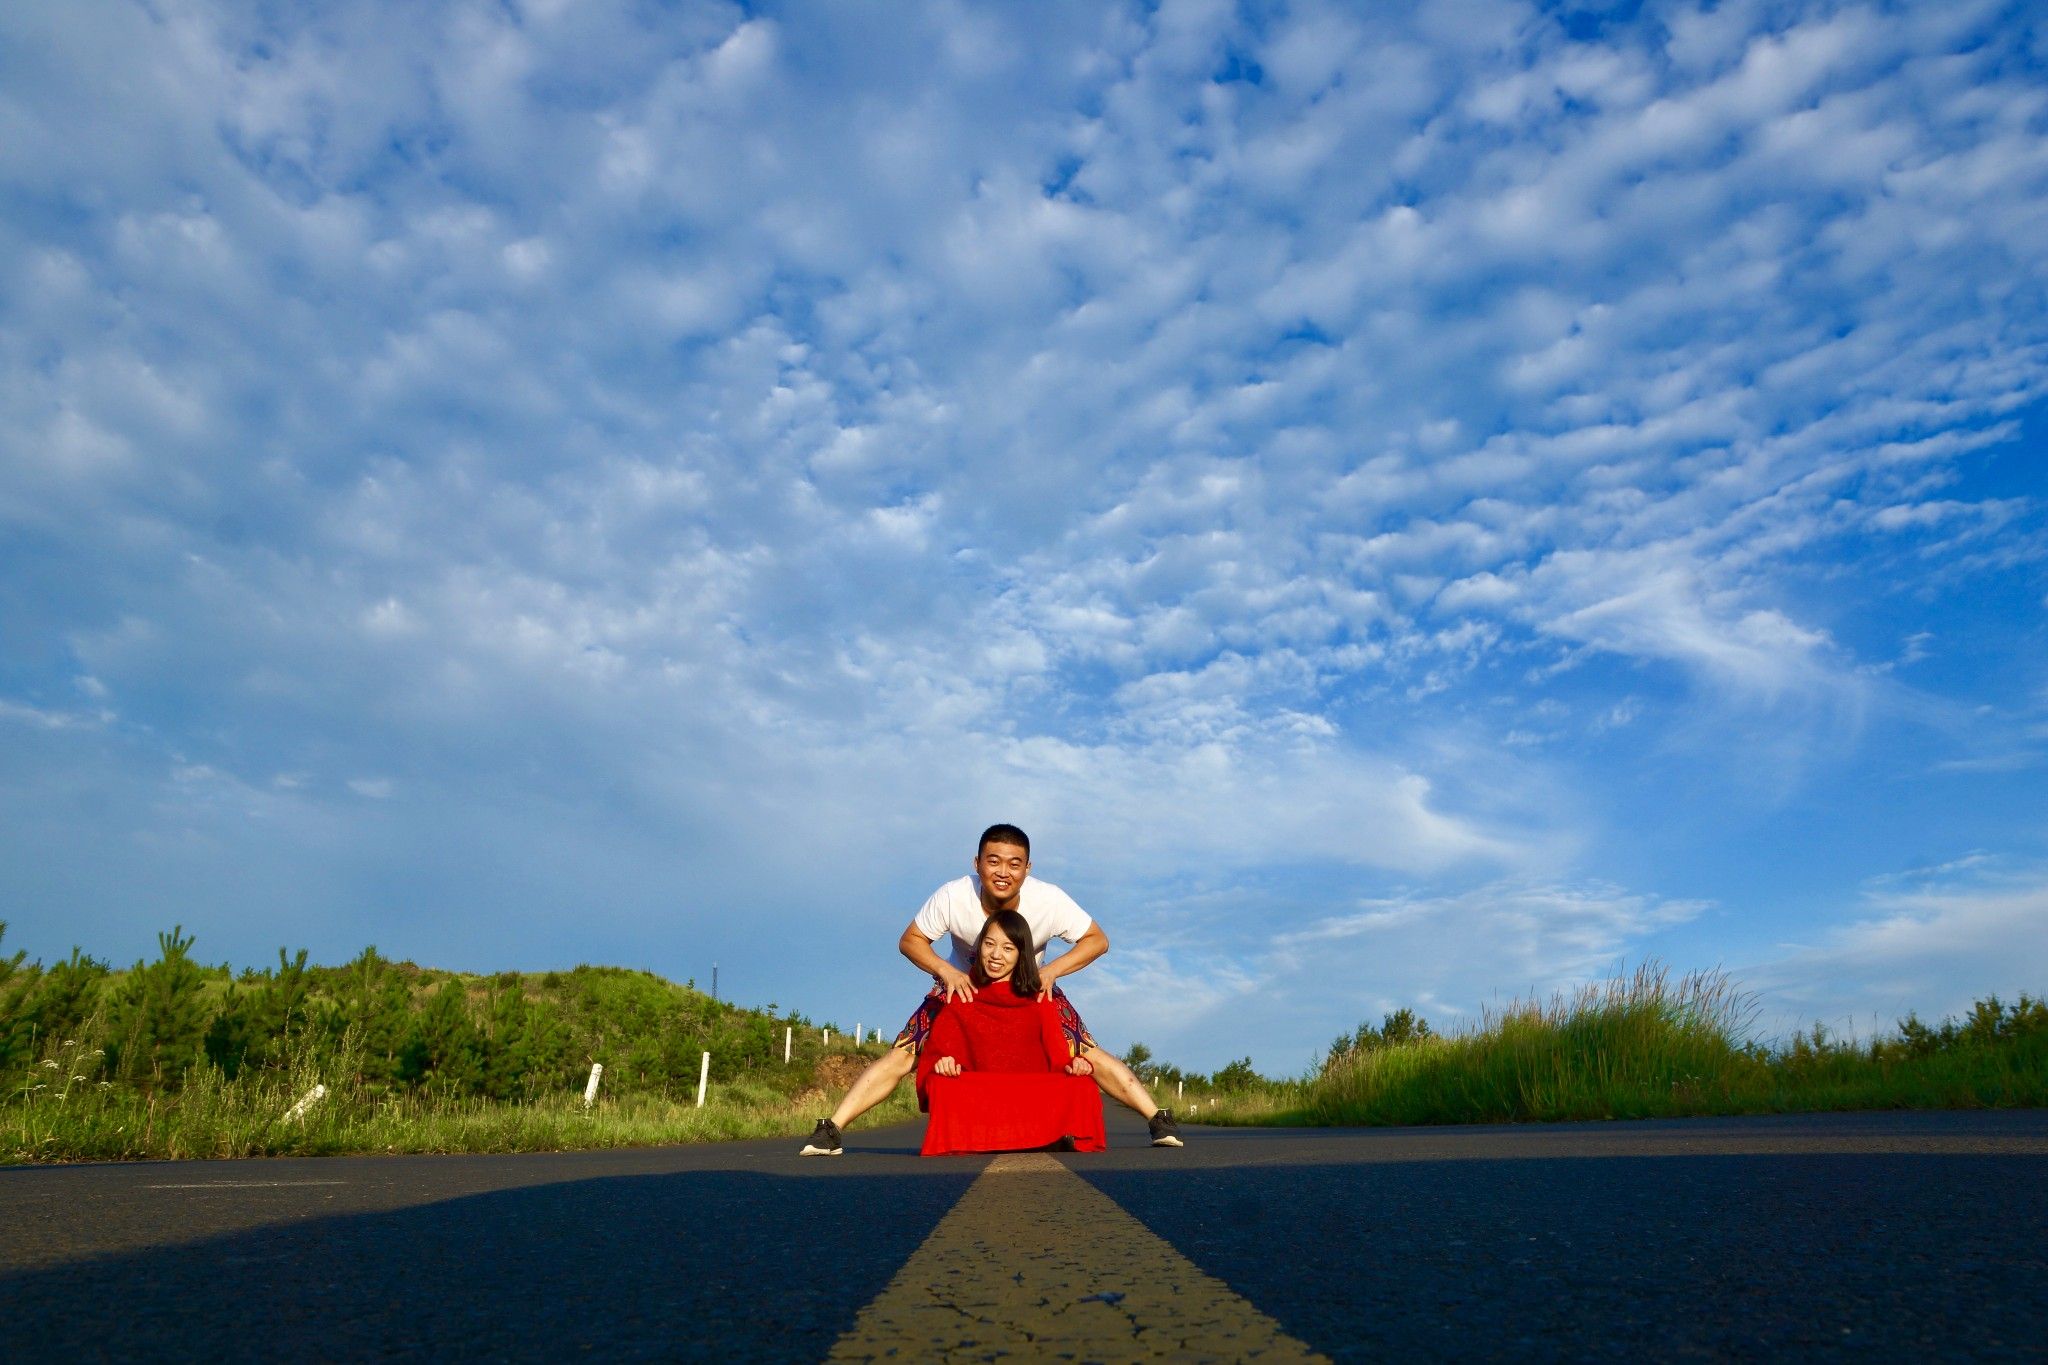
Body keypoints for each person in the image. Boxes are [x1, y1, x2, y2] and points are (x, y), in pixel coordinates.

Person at [799, 823, 1182, 1154]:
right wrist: (945, 973)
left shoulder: (1049, 899)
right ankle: (832, 1128)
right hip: (962, 986)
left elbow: (1097, 940)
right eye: (993, 861)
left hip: (1029, 987)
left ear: (1027, 869)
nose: (1003, 872)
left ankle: (1157, 1119)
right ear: (977, 863)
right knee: (904, 1053)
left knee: (1084, 1050)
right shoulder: (953, 895)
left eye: (1014, 864)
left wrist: (1051, 973)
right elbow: (911, 940)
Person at [915, 909, 1107, 1156]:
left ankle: (1039, 1135)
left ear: (1020, 955)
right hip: (984, 1097)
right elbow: (937, 1058)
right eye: (989, 944)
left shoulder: (1038, 997)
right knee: (942, 1084)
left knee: (1082, 1085)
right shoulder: (963, 994)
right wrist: (945, 1064)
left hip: (1030, 1096)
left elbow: (1060, 1061)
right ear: (979, 948)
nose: (996, 955)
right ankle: (1017, 1138)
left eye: (1008, 948)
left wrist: (1075, 1066)